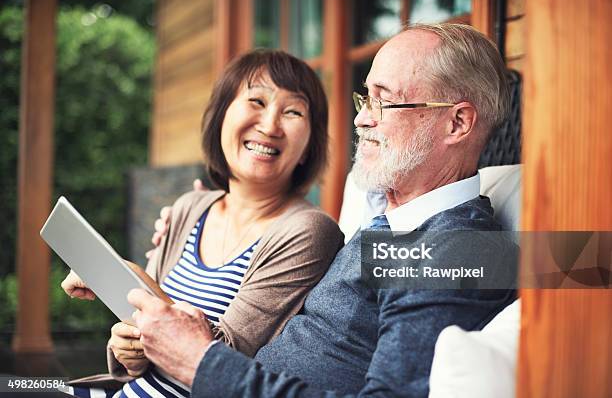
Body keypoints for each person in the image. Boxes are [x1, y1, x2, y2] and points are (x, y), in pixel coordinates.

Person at [127, 23, 516, 397]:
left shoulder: (459, 249)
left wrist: (199, 362)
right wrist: (208, 214)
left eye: (386, 101)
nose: (362, 118)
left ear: (458, 123)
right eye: (367, 98)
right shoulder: (388, 215)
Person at [60, 50, 344, 397]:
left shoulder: (308, 231)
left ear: (308, 146)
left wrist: (125, 272)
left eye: (293, 112)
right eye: (256, 101)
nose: (270, 126)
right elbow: (145, 343)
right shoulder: (188, 207)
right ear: (221, 117)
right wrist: (127, 346)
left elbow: (218, 359)